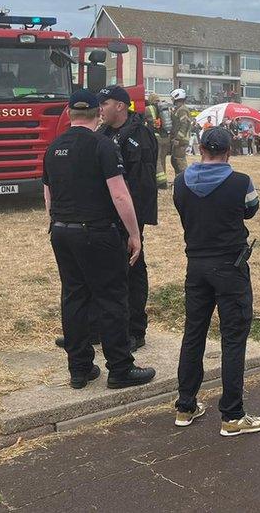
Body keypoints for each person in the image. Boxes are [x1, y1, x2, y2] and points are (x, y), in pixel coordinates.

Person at [42, 89, 156, 390]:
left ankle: (79, 368)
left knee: (74, 296)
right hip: (97, 231)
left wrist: (55, 223)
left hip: (62, 230)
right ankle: (120, 368)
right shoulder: (102, 145)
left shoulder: (53, 147)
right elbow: (119, 193)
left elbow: (48, 194)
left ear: (69, 114)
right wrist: (133, 233)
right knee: (111, 297)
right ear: (97, 114)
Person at [172, 126, 260, 437]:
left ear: (200, 149)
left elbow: (183, 211)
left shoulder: (180, 182)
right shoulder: (240, 181)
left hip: (196, 265)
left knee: (193, 334)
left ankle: (185, 406)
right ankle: (232, 414)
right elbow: (251, 211)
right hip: (230, 266)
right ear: (229, 151)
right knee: (233, 338)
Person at [98, 85, 159, 352]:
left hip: (127, 216)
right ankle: (104, 326)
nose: (100, 109)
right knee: (105, 273)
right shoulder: (103, 133)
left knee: (132, 271)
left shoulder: (139, 135)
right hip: (102, 216)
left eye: (105, 103)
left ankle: (135, 329)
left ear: (120, 106)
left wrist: (133, 221)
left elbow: (141, 184)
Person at [144, 93, 170, 189]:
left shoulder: (148, 109)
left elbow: (141, 118)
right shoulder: (164, 109)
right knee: (162, 159)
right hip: (165, 137)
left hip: (154, 136)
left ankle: (161, 183)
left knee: (157, 159)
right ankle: (164, 179)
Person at [166, 88, 191, 182]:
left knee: (180, 161)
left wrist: (178, 138)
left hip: (181, 140)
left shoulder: (182, 110)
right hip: (179, 139)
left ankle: (185, 181)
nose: (172, 100)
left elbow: (184, 124)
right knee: (175, 161)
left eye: (173, 98)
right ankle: (179, 180)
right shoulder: (178, 109)